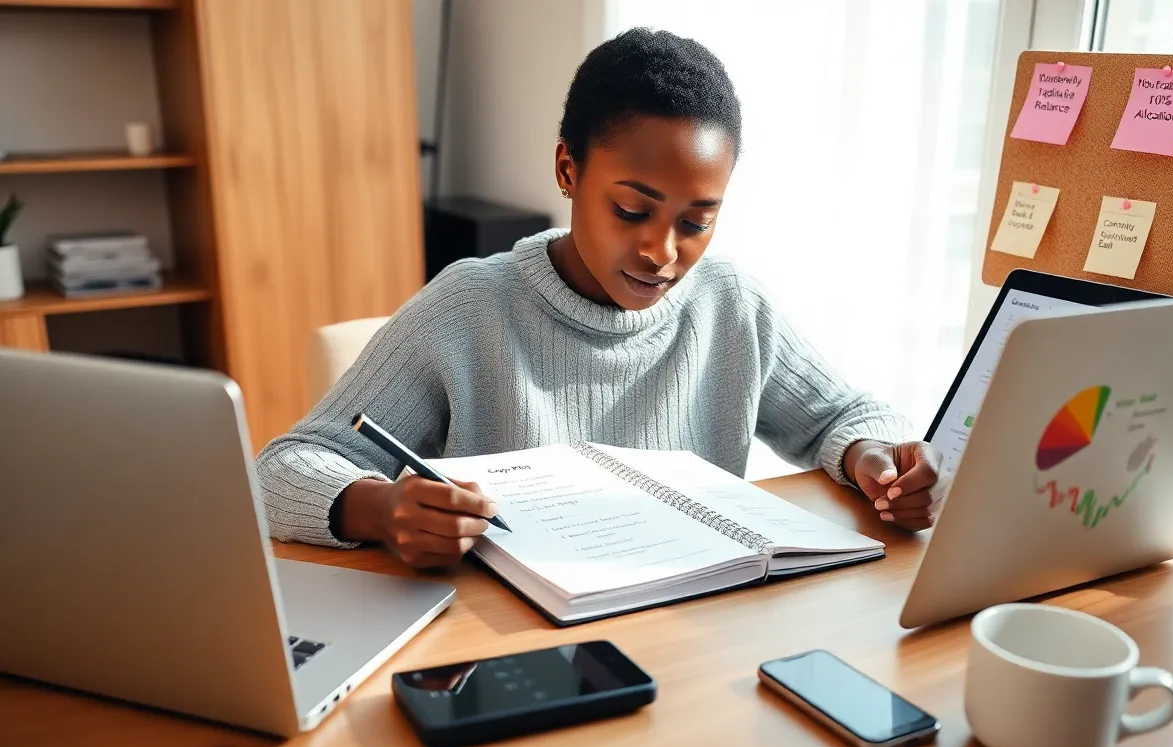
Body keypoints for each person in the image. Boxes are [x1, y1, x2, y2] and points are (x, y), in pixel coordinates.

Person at [255, 28, 944, 569]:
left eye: (696, 222)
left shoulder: (729, 305)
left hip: (692, 636)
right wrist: (378, 508)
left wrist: (873, 459)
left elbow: (846, 416)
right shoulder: (471, 307)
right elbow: (281, 468)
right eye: (631, 210)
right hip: (517, 644)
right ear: (568, 170)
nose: (662, 252)